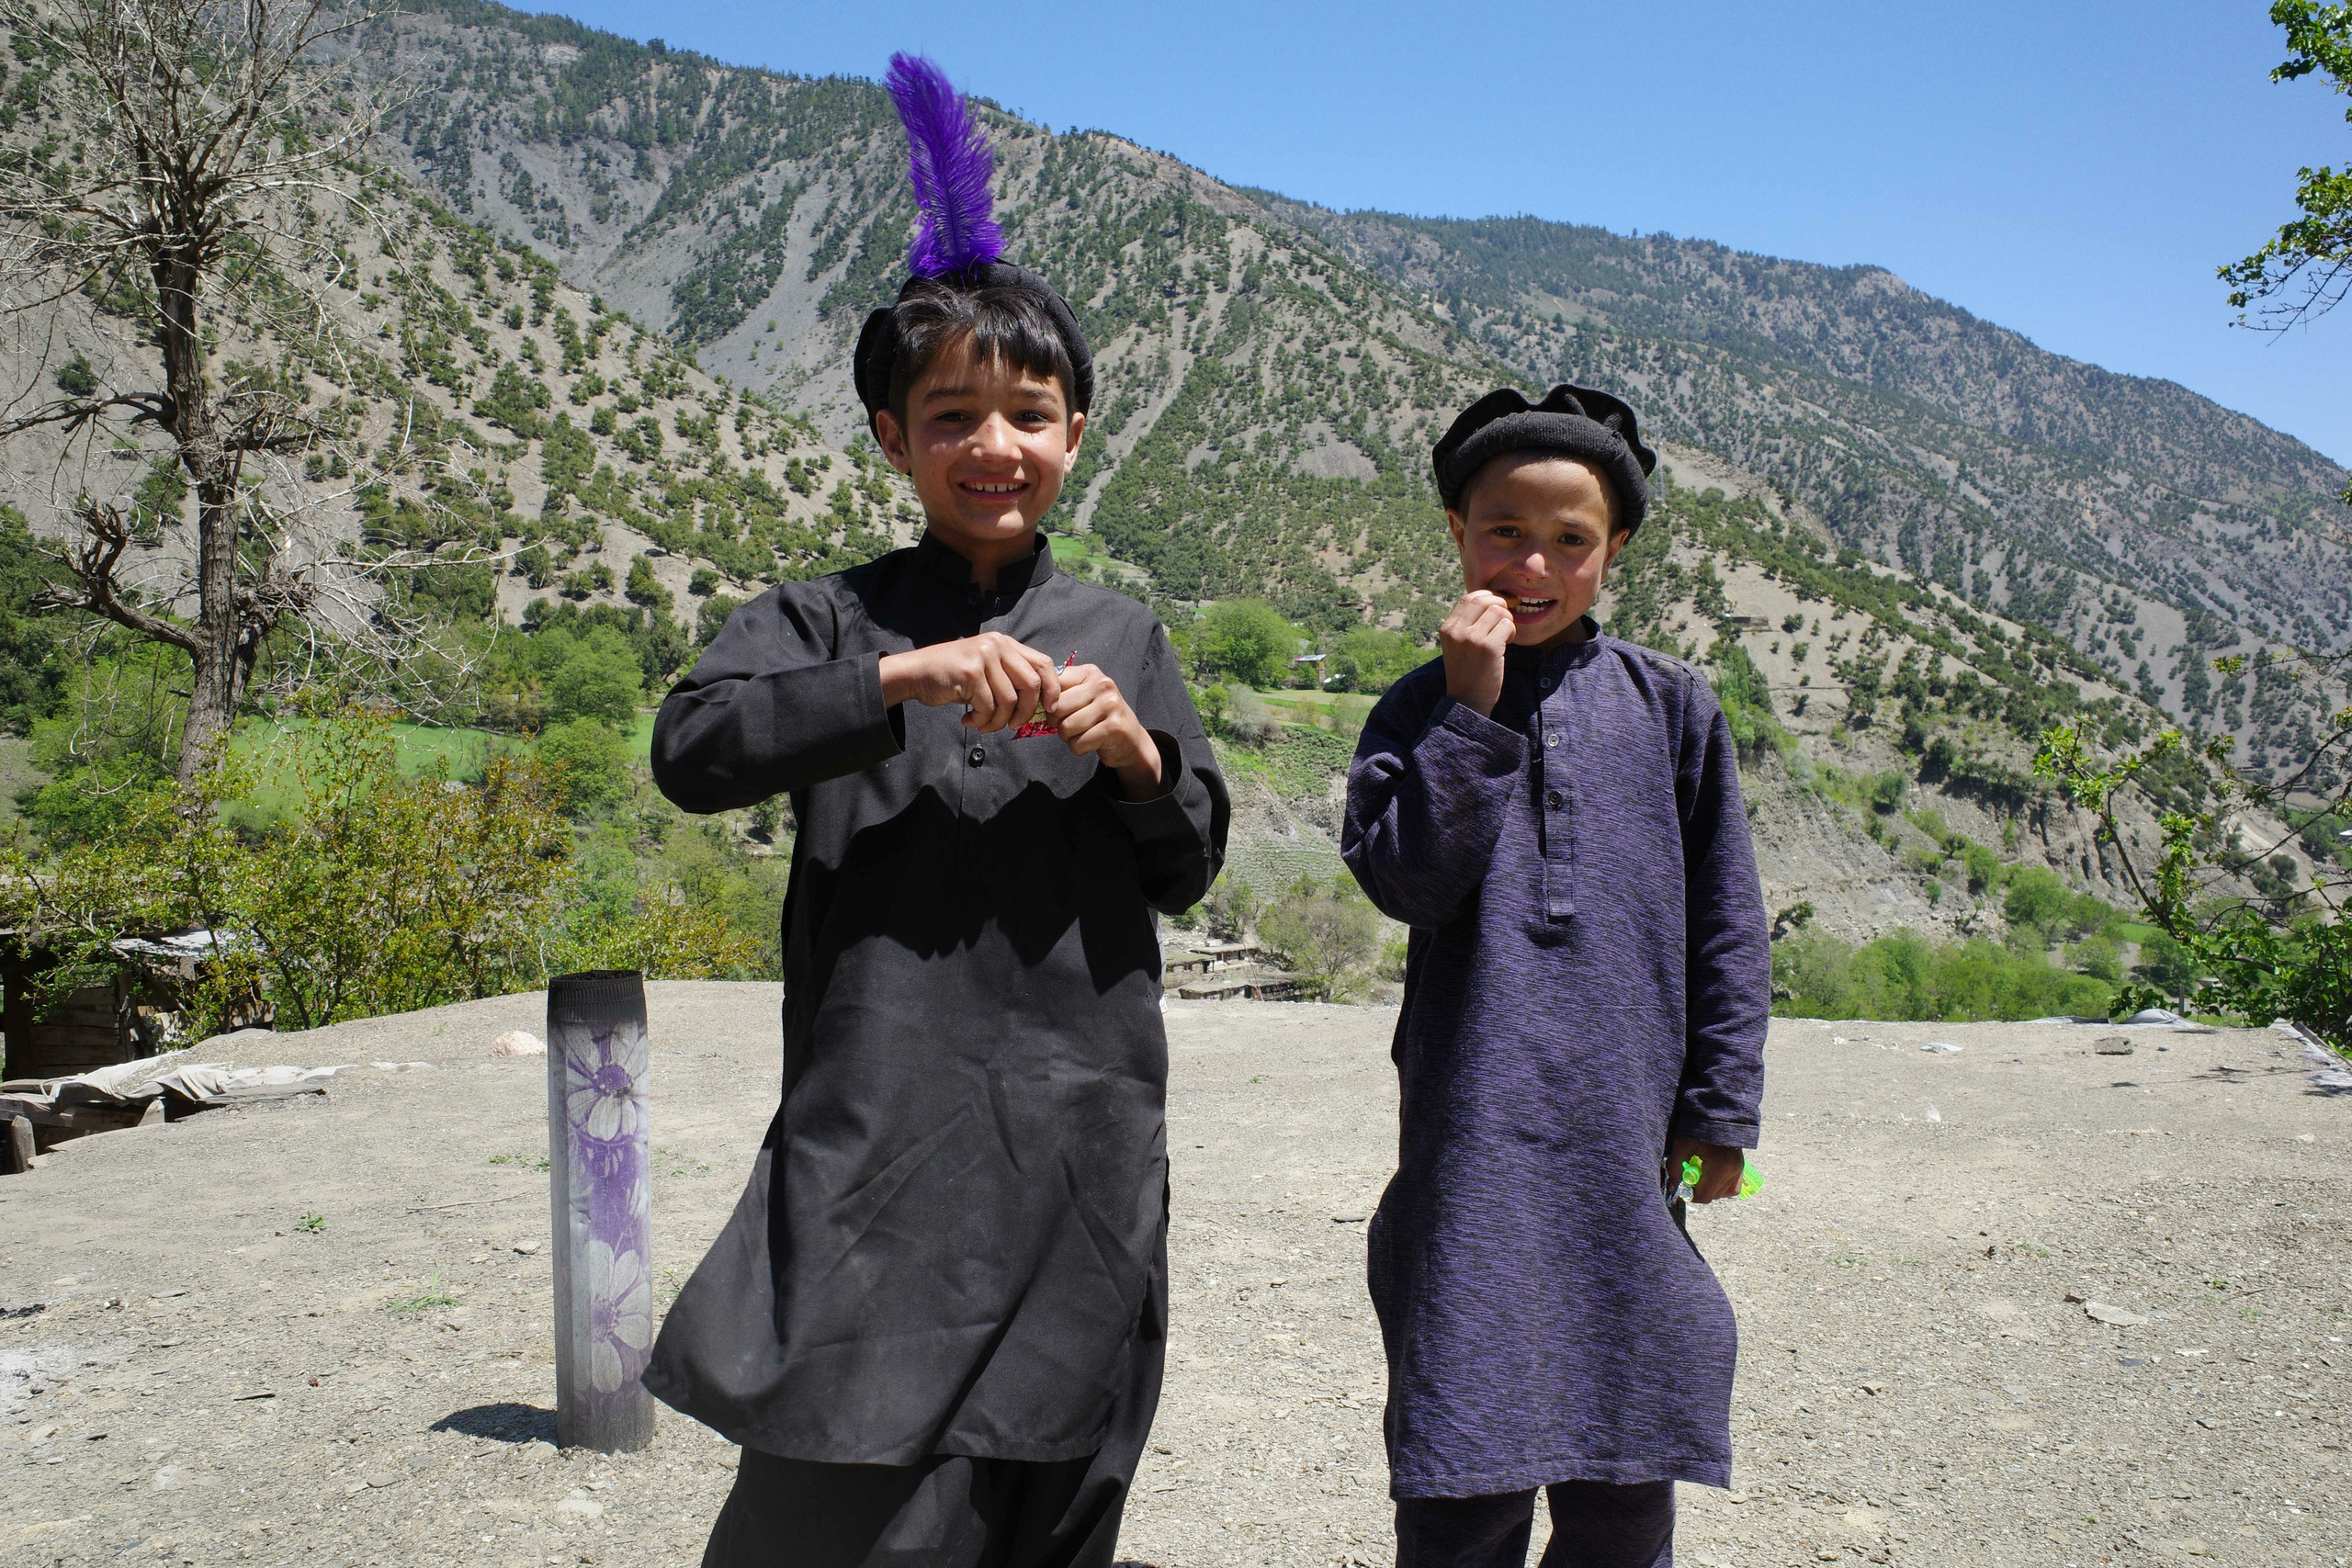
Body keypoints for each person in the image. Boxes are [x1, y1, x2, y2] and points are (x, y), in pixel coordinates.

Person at [641, 54, 1227, 1568]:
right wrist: (898, 680)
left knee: (1051, 1482)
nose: (993, 446)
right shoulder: (824, 621)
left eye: (1028, 412)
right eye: (952, 414)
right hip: (877, 1120)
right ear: (892, 438)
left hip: (1079, 1130)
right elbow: (693, 749)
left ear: (1076, 434)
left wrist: (1136, 758)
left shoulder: (1122, 636)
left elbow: (1188, 864)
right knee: (830, 1498)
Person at [1340, 384, 1770, 1568]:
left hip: (1625, 1133)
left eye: (1569, 540)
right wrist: (1470, 715)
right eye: (1504, 532)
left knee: (1626, 1459)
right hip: (1472, 1137)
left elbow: (1727, 922)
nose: (1533, 565)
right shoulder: (1416, 708)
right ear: (1456, 532)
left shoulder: (1671, 706)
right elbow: (1406, 883)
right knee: (1464, 1456)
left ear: (1613, 548)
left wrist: (1721, 1108)